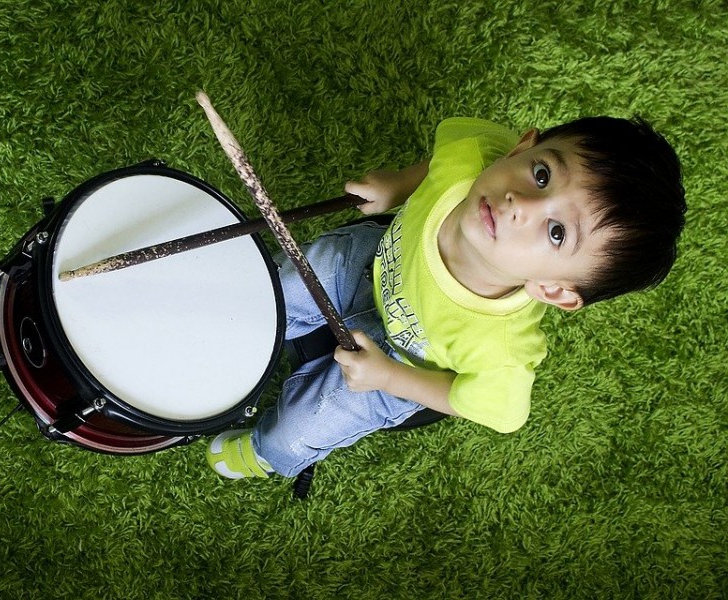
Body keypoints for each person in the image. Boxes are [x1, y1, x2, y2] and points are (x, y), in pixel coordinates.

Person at [205, 116, 686, 480]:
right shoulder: (474, 155)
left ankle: (265, 452)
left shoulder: (503, 348)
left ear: (555, 290)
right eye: (542, 175)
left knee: (302, 429)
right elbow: (444, 159)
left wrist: (391, 377)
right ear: (523, 146)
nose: (523, 204)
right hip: (369, 263)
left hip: (406, 359)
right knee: (266, 300)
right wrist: (397, 184)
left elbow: (495, 411)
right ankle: (234, 337)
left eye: (557, 232)